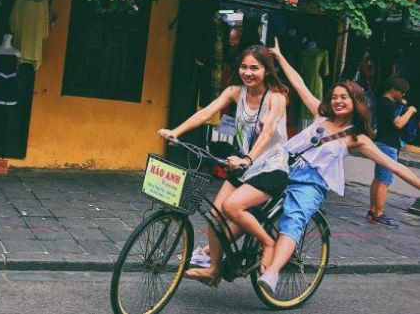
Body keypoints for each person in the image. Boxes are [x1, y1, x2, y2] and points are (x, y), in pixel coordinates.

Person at [258, 38, 420, 296]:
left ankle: (273, 272)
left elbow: (394, 166)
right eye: (334, 97)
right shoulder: (320, 115)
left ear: (356, 101)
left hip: (312, 183)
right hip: (284, 170)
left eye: (344, 97)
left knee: (293, 218)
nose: (337, 101)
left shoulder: (357, 138)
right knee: (245, 203)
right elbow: (299, 84)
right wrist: (279, 56)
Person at [158, 45, 289, 286]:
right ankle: (213, 270)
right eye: (244, 67)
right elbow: (205, 112)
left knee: (231, 206)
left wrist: (247, 159)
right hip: (244, 166)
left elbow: (268, 131)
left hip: (271, 167)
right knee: (215, 216)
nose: (248, 73)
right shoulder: (234, 92)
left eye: (254, 68)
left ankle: (268, 243)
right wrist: (176, 132)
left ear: (267, 71)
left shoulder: (276, 98)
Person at [368, 75, 416, 227]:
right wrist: (410, 111)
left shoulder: (383, 102)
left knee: (378, 178)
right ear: (393, 89)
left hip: (381, 143)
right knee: (384, 181)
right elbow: (398, 123)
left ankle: (372, 211)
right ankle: (378, 213)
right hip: (388, 146)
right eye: (401, 91)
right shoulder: (387, 103)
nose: (403, 95)